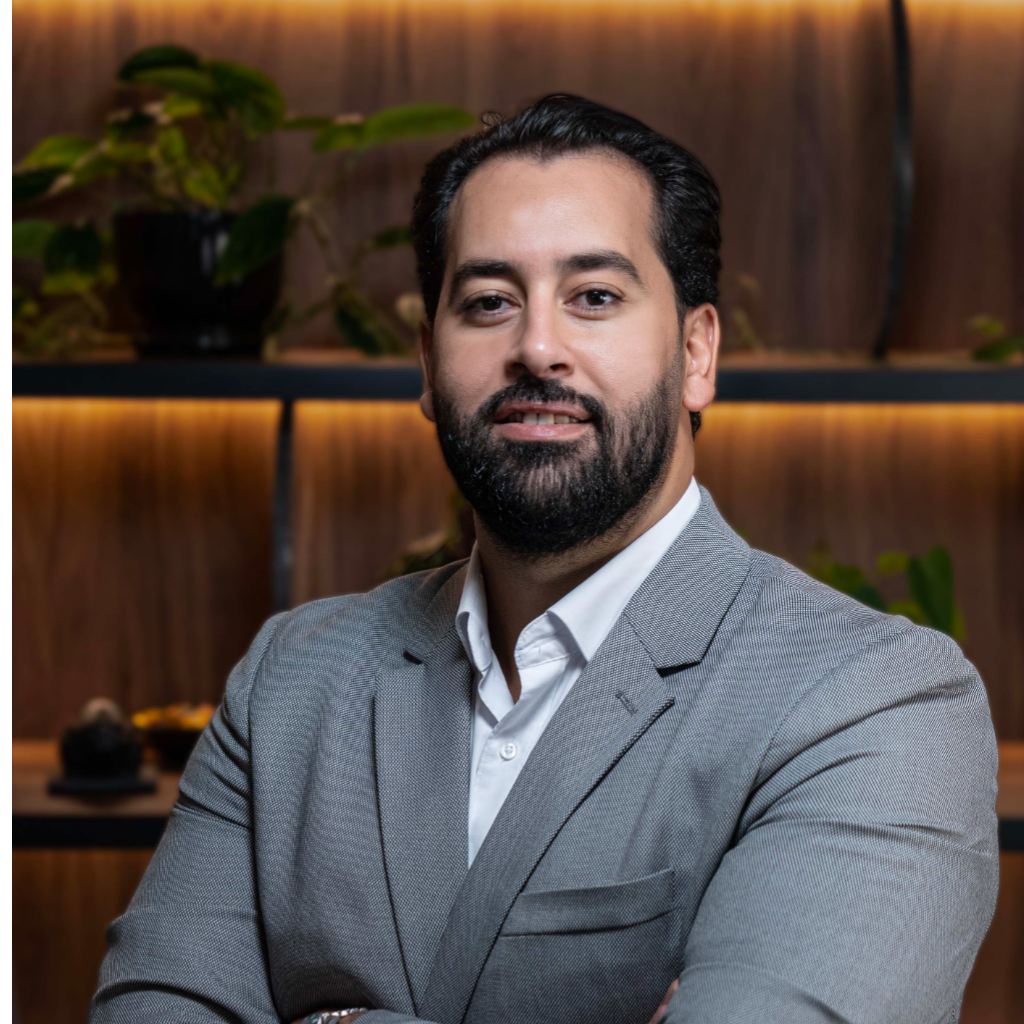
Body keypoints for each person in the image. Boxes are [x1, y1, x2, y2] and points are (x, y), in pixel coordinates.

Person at [90, 95, 999, 1024]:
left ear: (696, 353)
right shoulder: (289, 682)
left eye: (594, 297)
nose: (535, 347)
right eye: (489, 302)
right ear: (428, 364)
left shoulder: (874, 701)